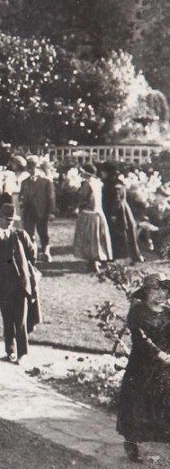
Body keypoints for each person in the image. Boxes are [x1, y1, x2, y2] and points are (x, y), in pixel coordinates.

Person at [116, 274, 170, 463]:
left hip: (164, 369)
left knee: (162, 402)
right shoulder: (137, 312)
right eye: (155, 290)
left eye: (163, 290)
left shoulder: (168, 313)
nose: (160, 294)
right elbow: (141, 338)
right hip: (142, 365)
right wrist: (159, 354)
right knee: (136, 403)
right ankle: (132, 443)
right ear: (146, 292)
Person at [0, 203, 38, 363]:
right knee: (7, 320)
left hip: (20, 285)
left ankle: (23, 353)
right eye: (6, 219)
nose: (9, 222)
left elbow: (32, 255)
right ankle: (10, 351)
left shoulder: (20, 235)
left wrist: (26, 272)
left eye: (11, 220)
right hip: (2, 285)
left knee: (20, 320)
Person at [73, 162, 113, 272]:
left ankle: (93, 262)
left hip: (88, 213)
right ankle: (95, 261)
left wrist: (78, 205)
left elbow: (84, 199)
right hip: (98, 213)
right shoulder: (98, 183)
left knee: (89, 238)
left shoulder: (87, 184)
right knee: (96, 238)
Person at [102, 163, 144, 264]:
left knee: (121, 234)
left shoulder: (115, 185)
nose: (102, 174)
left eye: (103, 172)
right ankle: (118, 255)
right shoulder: (114, 183)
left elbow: (117, 201)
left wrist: (113, 214)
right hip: (119, 211)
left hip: (120, 212)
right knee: (121, 234)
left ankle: (127, 256)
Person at [20, 157, 56, 263]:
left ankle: (46, 252)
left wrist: (51, 212)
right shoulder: (24, 182)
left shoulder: (46, 181)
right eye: (29, 168)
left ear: (38, 167)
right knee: (28, 233)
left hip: (42, 211)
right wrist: (22, 204)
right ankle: (32, 254)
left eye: (33, 167)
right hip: (28, 211)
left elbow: (51, 197)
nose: (30, 170)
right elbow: (21, 196)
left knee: (43, 233)